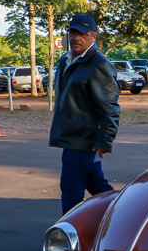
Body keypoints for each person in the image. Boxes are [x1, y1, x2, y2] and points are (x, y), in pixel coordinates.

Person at [49, 14, 120, 215]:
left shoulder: (98, 64)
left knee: (71, 192)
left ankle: (69, 237)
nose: (76, 37)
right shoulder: (66, 61)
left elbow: (110, 106)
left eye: (82, 34)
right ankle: (124, 215)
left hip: (83, 140)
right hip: (71, 137)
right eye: (73, 32)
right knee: (99, 188)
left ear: (93, 36)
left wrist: (105, 140)